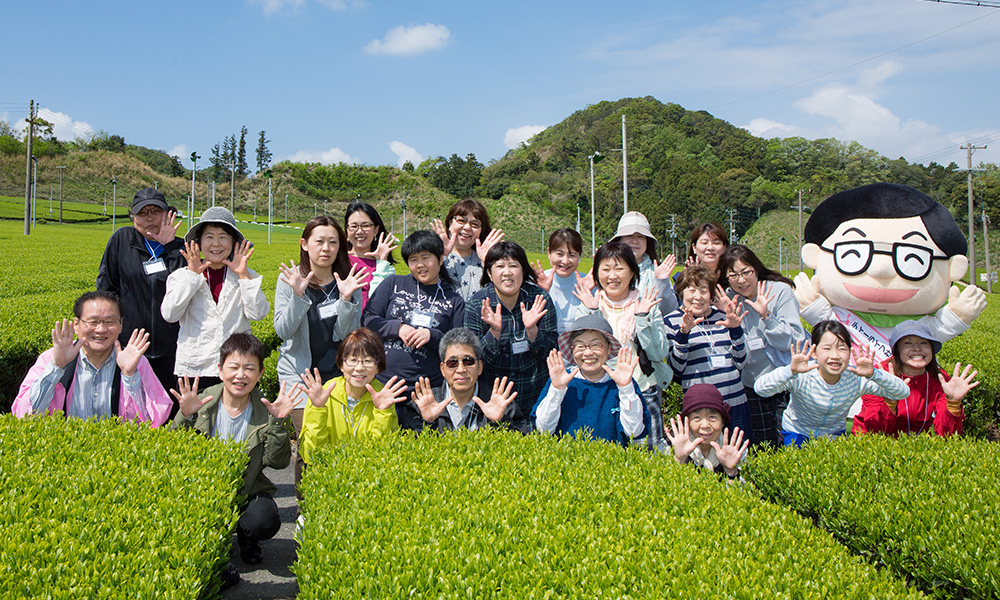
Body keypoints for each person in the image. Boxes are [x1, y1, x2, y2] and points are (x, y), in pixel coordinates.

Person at [794, 182, 986, 363]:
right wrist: (811, 305)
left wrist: (957, 316)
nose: (880, 269)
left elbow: (938, 330)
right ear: (815, 256)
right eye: (854, 254)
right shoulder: (840, 319)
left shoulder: (918, 328)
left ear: (953, 268)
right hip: (848, 391)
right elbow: (826, 322)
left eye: (912, 258)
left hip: (902, 393)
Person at [171, 332, 298, 570]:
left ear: (260, 373)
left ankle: (247, 537)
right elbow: (174, 451)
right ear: (220, 369)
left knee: (264, 520)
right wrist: (185, 416)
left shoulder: (265, 410)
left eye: (250, 368)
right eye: (234, 367)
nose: (241, 375)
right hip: (203, 490)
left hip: (248, 489)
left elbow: (279, 462)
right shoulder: (201, 403)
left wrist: (279, 423)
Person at [14, 290, 172, 425]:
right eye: (93, 321)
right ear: (76, 324)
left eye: (109, 322)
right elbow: (25, 415)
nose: (101, 329)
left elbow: (151, 422)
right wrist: (56, 367)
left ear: (120, 324)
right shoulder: (52, 358)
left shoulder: (134, 361)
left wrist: (130, 375)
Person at [274, 215, 367, 437]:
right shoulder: (290, 279)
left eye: (333, 242)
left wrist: (345, 300)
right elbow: (283, 331)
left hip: (338, 376)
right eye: (319, 241)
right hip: (298, 375)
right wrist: (298, 295)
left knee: (336, 439)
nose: (326, 248)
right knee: (309, 438)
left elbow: (348, 336)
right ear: (304, 244)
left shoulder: (348, 282)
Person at [575, 241, 672, 452]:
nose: (612, 276)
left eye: (619, 268)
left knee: (650, 454)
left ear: (632, 272)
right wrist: (593, 313)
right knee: (608, 454)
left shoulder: (646, 304)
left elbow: (659, 353)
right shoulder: (589, 305)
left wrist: (642, 317)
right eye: (606, 269)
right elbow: (584, 353)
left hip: (642, 389)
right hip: (602, 391)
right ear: (597, 273)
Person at [362, 230, 466, 425]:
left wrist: (432, 335)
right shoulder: (393, 284)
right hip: (383, 384)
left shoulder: (454, 300)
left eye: (426, 258)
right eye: (413, 259)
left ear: (441, 259)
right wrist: (397, 328)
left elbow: (458, 346)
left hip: (426, 393)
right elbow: (368, 320)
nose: (420, 265)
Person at [161, 207, 270, 388]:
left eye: (223, 237)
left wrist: (244, 276)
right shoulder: (182, 276)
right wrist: (193, 275)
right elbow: (170, 314)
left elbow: (257, 313)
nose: (216, 244)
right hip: (195, 369)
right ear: (199, 242)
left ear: (234, 242)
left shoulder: (246, 275)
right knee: (196, 416)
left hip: (235, 368)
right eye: (209, 237)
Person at [754, 320, 909, 446]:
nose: (835, 356)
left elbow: (902, 392)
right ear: (814, 352)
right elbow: (761, 389)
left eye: (842, 349)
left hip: (834, 436)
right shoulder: (802, 375)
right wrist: (790, 370)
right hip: (797, 433)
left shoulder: (855, 379)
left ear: (850, 352)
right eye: (827, 349)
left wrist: (874, 374)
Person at [96, 187, 185, 402]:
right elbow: (107, 289)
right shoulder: (121, 240)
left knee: (169, 407)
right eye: (143, 213)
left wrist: (170, 246)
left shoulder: (181, 247)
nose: (150, 218)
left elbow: (187, 289)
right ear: (133, 217)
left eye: (156, 211)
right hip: (131, 346)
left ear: (167, 214)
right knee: (130, 407)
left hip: (172, 347)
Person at [649, 264, 751, 441]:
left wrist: (735, 330)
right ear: (681, 293)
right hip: (701, 411)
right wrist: (683, 334)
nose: (698, 297)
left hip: (735, 400)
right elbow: (677, 370)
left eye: (703, 290)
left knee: (738, 457)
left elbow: (741, 362)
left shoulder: (722, 317)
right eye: (692, 290)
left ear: (711, 295)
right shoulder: (671, 322)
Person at [719, 244, 805, 449]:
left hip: (786, 383)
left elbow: (794, 342)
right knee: (763, 446)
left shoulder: (778, 291)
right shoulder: (729, 299)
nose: (741, 280)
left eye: (746, 272)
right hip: (754, 387)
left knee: (788, 442)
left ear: (755, 269)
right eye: (733, 275)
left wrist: (767, 316)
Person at [464, 241, 558, 415]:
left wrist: (532, 332)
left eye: (514, 265)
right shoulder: (477, 305)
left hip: (534, 393)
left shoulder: (539, 299)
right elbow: (472, 361)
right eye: (500, 266)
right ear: (490, 274)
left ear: (523, 271)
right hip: (492, 397)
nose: (507, 272)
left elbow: (553, 352)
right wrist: (494, 333)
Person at [532, 313, 646, 447]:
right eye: (580, 346)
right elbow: (543, 430)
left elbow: (634, 431)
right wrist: (557, 390)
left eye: (595, 345)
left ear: (609, 348)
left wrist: (625, 388)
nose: (587, 353)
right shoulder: (563, 380)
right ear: (572, 350)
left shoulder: (621, 382)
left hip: (612, 463)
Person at [298, 328, 407, 464]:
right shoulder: (323, 394)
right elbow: (312, 456)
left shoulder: (383, 396)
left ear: (378, 367)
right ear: (341, 364)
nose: (359, 368)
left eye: (368, 361)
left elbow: (384, 455)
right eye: (353, 360)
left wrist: (382, 413)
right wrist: (318, 409)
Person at [853, 320, 977, 437]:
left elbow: (948, 436)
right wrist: (890, 401)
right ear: (897, 350)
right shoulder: (881, 375)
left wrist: (953, 403)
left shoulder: (940, 378)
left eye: (923, 342)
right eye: (908, 343)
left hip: (915, 447)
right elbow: (875, 431)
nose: (917, 348)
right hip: (872, 444)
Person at [407, 327, 532, 433]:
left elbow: (519, 450)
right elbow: (407, 452)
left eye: (468, 361)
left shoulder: (502, 404)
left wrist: (498, 422)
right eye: (452, 363)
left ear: (480, 367)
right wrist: (427, 422)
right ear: (442, 369)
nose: (461, 369)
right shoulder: (422, 405)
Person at [665, 383, 749, 482]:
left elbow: (744, 495)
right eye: (697, 417)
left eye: (712, 417)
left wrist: (731, 471)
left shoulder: (735, 448)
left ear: (722, 421)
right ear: (687, 422)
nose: (705, 425)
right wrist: (679, 459)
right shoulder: (672, 445)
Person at [432, 198, 505, 301]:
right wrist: (441, 256)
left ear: (481, 230)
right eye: (461, 221)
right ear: (449, 224)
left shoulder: (488, 258)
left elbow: (505, 291)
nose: (467, 227)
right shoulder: (435, 256)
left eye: (475, 224)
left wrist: (488, 262)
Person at [610, 211, 678, 315]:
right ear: (619, 240)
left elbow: (670, 311)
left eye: (640, 236)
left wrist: (661, 281)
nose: (635, 241)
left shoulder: (656, 272)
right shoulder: (608, 271)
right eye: (629, 235)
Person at [533, 228, 587, 334]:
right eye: (559, 254)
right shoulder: (537, 282)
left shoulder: (587, 284)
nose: (565, 261)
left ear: (579, 256)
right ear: (549, 253)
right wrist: (541, 292)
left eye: (572, 255)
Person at [344, 201, 397, 308]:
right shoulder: (338, 260)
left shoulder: (385, 267)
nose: (359, 231)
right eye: (354, 226)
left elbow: (383, 303)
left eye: (365, 225)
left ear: (376, 230)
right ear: (347, 230)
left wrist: (382, 262)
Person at [681, 222, 730, 294]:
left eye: (716, 243)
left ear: (725, 247)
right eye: (704, 243)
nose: (710, 248)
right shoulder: (683, 280)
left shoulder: (733, 281)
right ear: (694, 248)